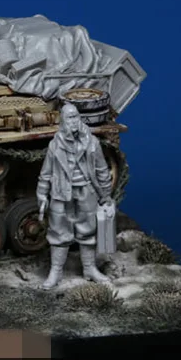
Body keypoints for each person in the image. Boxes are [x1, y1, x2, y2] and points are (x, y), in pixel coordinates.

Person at [36, 102, 113, 290]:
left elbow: (102, 169)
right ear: (62, 120)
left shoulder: (92, 142)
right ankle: (56, 271)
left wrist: (106, 194)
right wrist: (42, 194)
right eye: (69, 117)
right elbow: (46, 173)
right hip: (61, 192)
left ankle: (89, 268)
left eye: (75, 116)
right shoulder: (55, 145)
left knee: (88, 229)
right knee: (59, 231)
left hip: (86, 190)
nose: (73, 120)